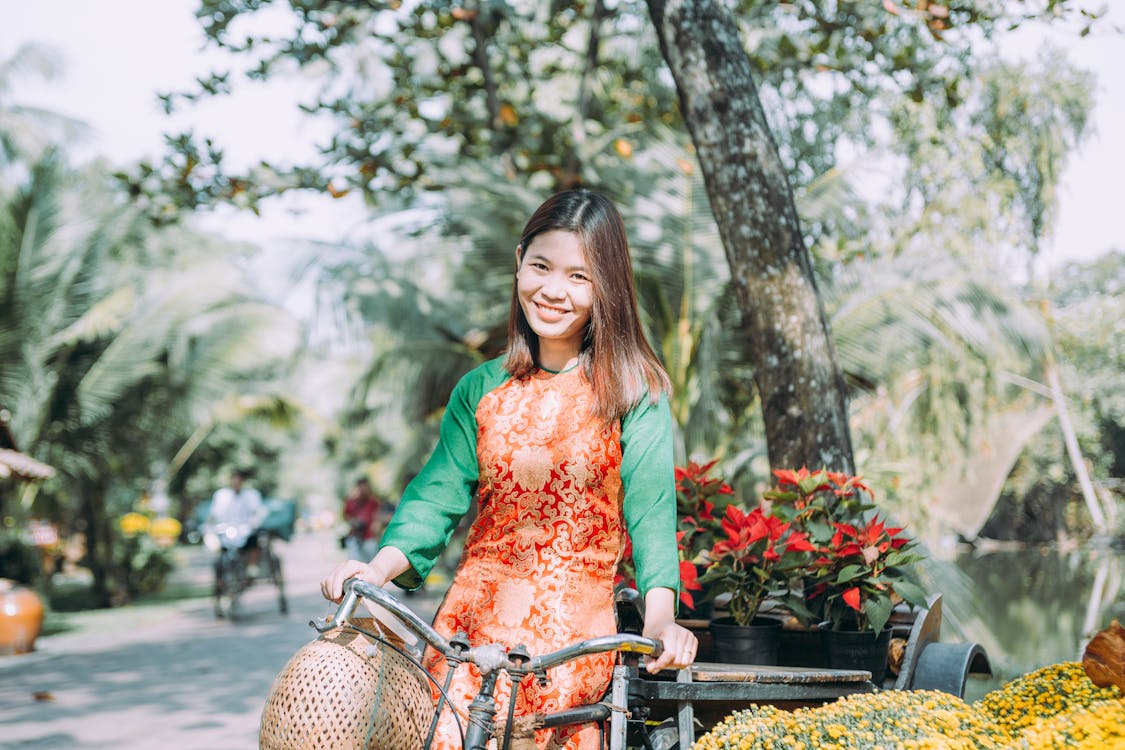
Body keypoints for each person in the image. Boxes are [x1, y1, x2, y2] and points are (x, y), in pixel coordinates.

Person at [321, 189, 697, 749]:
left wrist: (660, 619)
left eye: (579, 276)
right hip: (469, 638)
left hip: (572, 648)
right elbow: (436, 497)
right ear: (519, 259)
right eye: (541, 266)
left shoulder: (633, 393)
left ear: (607, 287)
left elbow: (650, 512)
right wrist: (374, 572)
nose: (553, 291)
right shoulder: (481, 388)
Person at [207, 469, 266, 576]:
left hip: (246, 528)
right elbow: (215, 513)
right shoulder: (222, 495)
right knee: (220, 550)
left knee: (253, 541)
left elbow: (258, 511)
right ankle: (221, 579)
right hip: (227, 530)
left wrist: (254, 523)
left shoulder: (251, 495)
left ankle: (252, 567)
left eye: (238, 481)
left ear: (242, 482)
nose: (236, 483)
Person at [340, 477, 389, 562]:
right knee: (354, 562)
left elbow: (378, 517)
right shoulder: (351, 502)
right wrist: (354, 522)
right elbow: (346, 516)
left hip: (369, 538)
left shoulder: (373, 502)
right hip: (355, 537)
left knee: (371, 563)